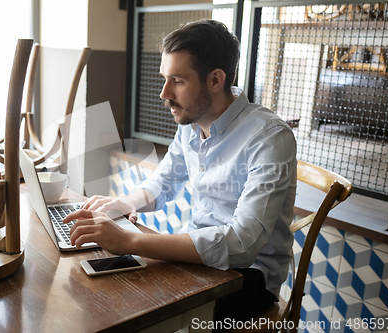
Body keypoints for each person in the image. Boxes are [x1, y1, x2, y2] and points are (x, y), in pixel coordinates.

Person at [64, 19, 297, 324]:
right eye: (165, 78)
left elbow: (241, 246)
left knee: (133, 309)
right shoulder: (192, 123)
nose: (164, 93)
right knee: (107, 292)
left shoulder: (269, 137)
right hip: (202, 263)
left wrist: (128, 240)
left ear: (215, 80)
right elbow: (164, 181)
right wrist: (124, 204)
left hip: (248, 278)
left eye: (177, 80)